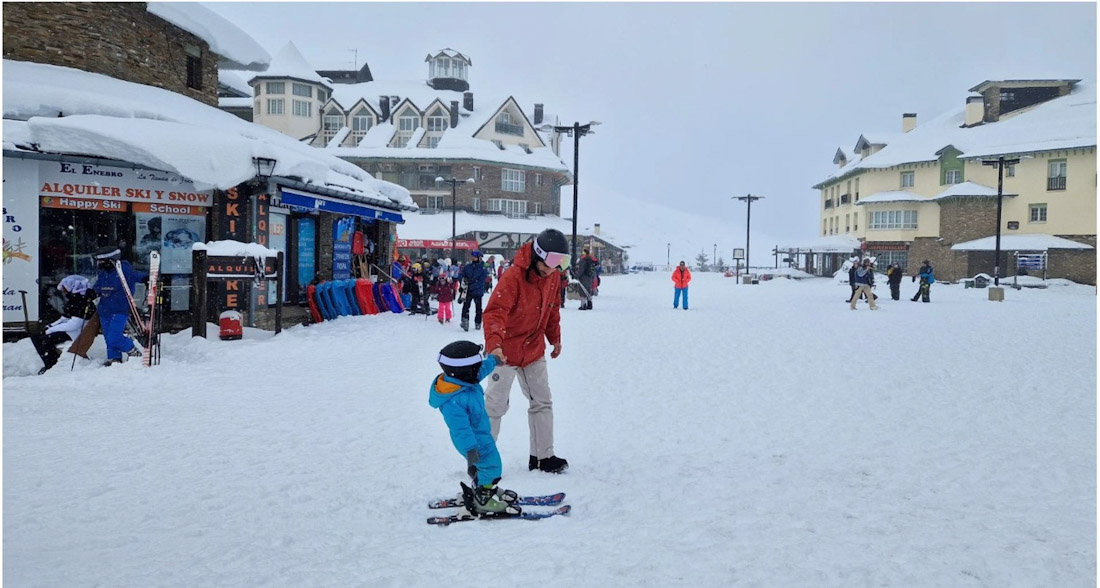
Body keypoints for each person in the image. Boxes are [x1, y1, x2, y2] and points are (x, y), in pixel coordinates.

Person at [483, 228, 569, 474]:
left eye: (560, 262)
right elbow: (495, 312)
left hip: (533, 349)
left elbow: (552, 308)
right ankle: (484, 461)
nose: (554, 269)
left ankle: (543, 457)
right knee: (495, 405)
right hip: (505, 351)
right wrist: (495, 345)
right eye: (551, 262)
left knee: (542, 402)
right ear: (537, 255)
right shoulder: (513, 277)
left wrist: (555, 337)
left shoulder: (552, 276)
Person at [429, 340, 519, 516]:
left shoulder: (464, 379)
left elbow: (482, 369)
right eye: (475, 367)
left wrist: (494, 360)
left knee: (485, 466)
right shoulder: (453, 400)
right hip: (472, 441)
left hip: (481, 435)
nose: (479, 370)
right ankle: (483, 498)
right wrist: (470, 448)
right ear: (466, 370)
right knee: (492, 466)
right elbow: (460, 429)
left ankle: (485, 487)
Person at [30, 275, 98, 374]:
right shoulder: (74, 299)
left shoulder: (82, 301)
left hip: (76, 333)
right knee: (37, 336)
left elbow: (75, 324)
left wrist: (51, 330)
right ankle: (50, 363)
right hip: (70, 330)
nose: (63, 291)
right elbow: (64, 318)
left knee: (46, 340)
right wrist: (50, 326)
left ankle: (51, 364)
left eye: (65, 289)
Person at [92, 246, 146, 366]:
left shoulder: (124, 270)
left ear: (110, 260)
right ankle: (114, 358)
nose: (99, 264)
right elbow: (98, 286)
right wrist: (92, 292)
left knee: (114, 337)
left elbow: (137, 276)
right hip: (104, 309)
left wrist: (147, 278)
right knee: (108, 337)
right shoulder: (103, 273)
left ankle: (133, 351)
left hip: (120, 309)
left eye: (101, 261)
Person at [460, 250, 489, 331]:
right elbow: (461, 274)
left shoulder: (483, 268)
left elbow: (481, 281)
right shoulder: (468, 267)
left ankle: (478, 322)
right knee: (466, 306)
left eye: (475, 257)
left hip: (477, 291)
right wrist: (463, 281)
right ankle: (465, 321)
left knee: (478, 308)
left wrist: (471, 286)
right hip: (467, 291)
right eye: (472, 256)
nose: (473, 258)